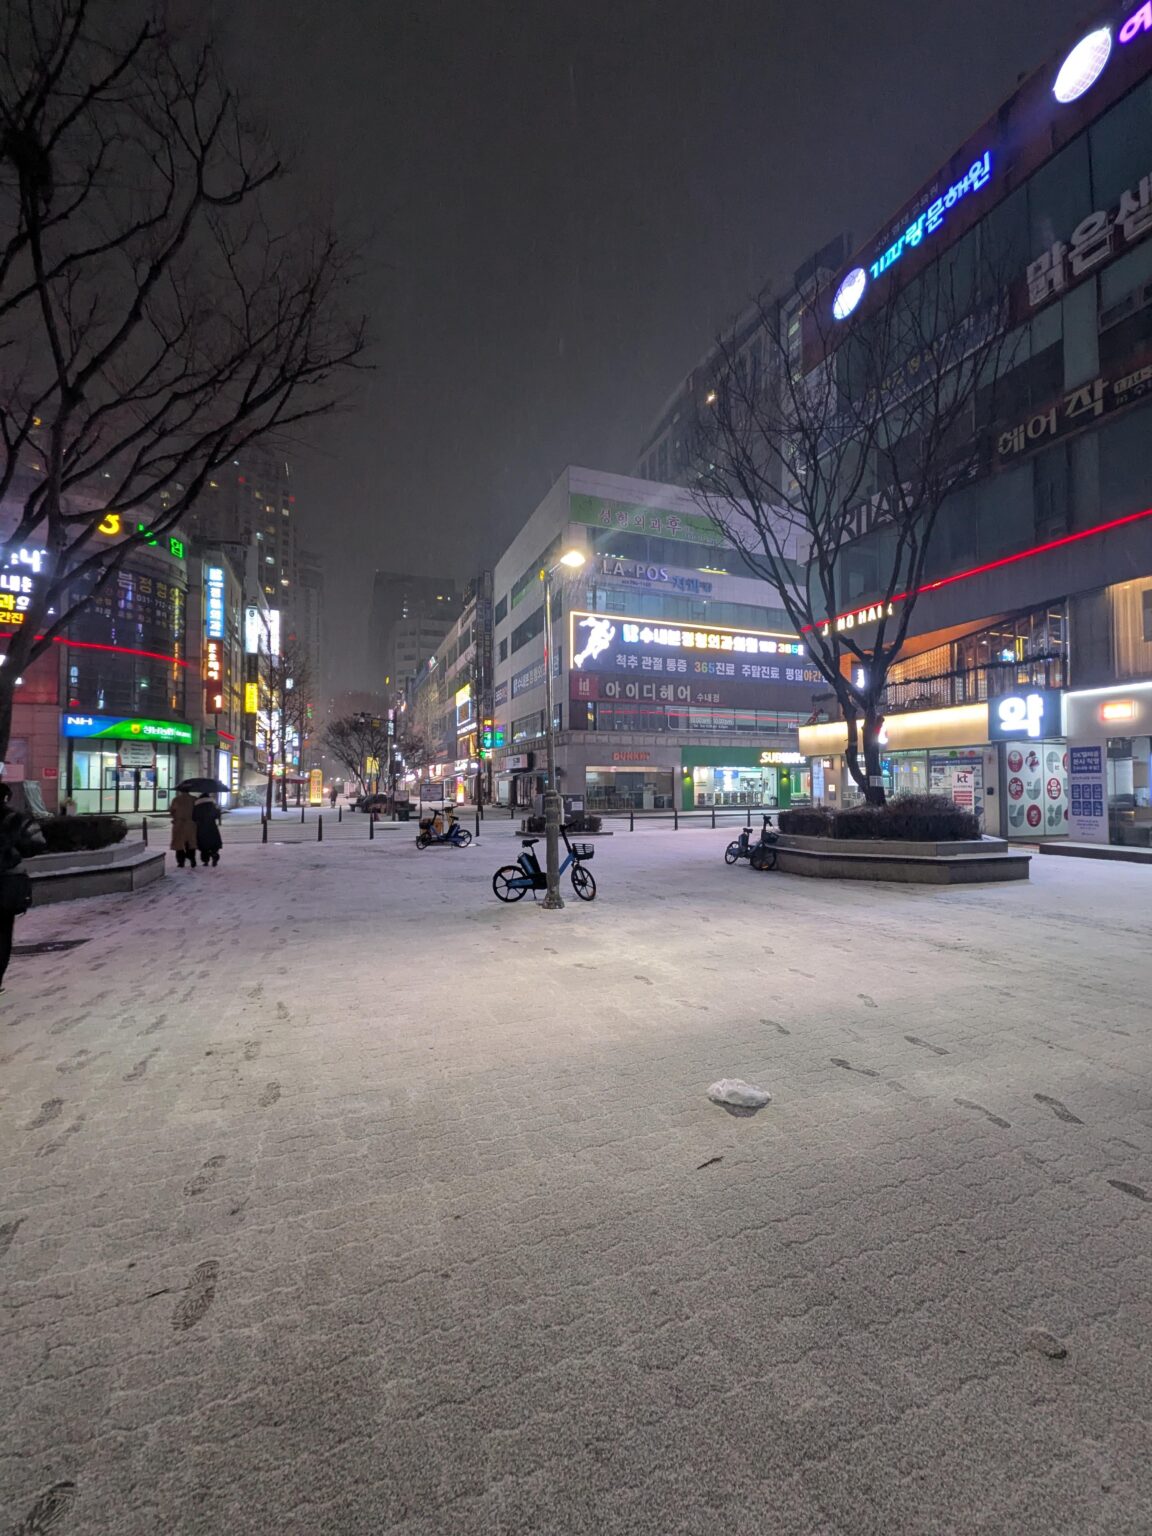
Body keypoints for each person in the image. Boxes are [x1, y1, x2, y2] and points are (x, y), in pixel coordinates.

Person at [0, 784, 46, 990]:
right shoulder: (14, 819)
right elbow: (36, 843)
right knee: (2, 935)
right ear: (6, 798)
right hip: (6, 883)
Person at [169, 787, 198, 868]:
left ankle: (181, 862)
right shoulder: (194, 799)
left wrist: (175, 817)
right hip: (191, 824)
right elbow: (197, 811)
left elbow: (172, 811)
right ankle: (192, 859)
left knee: (179, 844)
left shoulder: (176, 799)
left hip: (179, 824)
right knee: (191, 843)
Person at [192, 794, 223, 867]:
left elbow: (193, 817)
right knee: (213, 843)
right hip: (212, 827)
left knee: (203, 845)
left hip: (201, 828)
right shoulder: (212, 805)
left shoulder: (197, 806)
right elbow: (216, 816)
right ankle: (214, 854)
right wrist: (218, 810)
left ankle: (205, 861)